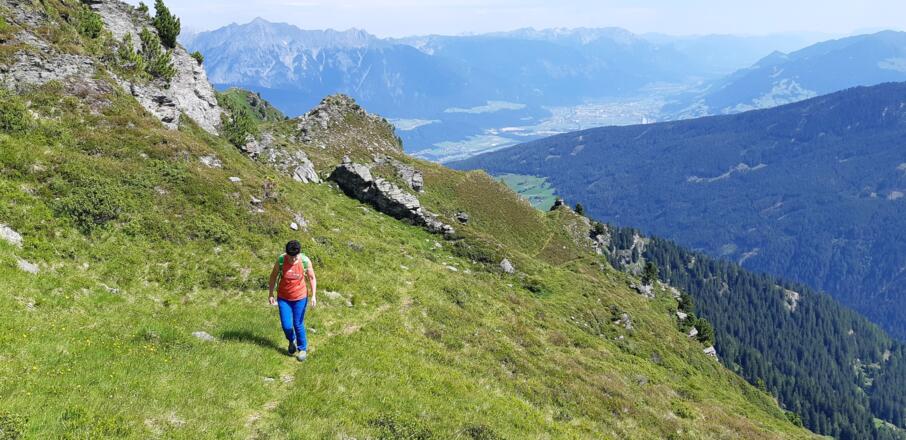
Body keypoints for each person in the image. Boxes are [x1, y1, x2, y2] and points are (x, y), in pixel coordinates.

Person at [268, 240, 317, 361]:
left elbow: (312, 278)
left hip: (300, 297)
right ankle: (291, 340)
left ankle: (302, 349)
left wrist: (314, 296)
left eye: (295, 257)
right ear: (286, 254)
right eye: (291, 257)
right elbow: (273, 276)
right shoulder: (281, 260)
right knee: (286, 325)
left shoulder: (305, 261)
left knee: (298, 324)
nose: (293, 260)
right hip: (283, 298)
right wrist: (270, 293)